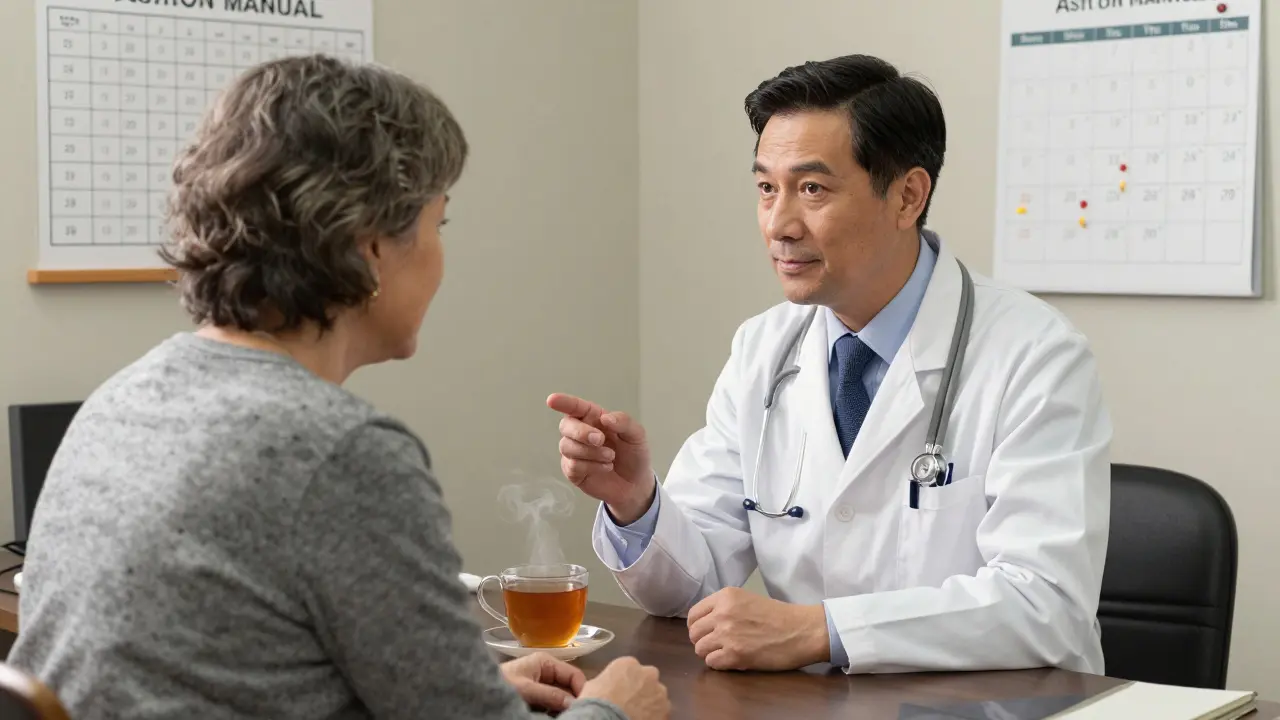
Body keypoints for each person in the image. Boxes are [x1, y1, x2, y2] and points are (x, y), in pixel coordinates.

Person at [9, 55, 669, 720]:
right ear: (369, 246)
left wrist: (471, 689)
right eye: (439, 226)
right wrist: (614, 709)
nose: (442, 259)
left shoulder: (117, 404)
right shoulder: (340, 454)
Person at [549, 54, 1111, 675]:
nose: (779, 225)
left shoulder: (1034, 355)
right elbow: (691, 586)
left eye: (812, 189)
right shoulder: (763, 347)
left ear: (908, 196)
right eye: (767, 188)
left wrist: (823, 630)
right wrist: (637, 504)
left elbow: (1046, 605)